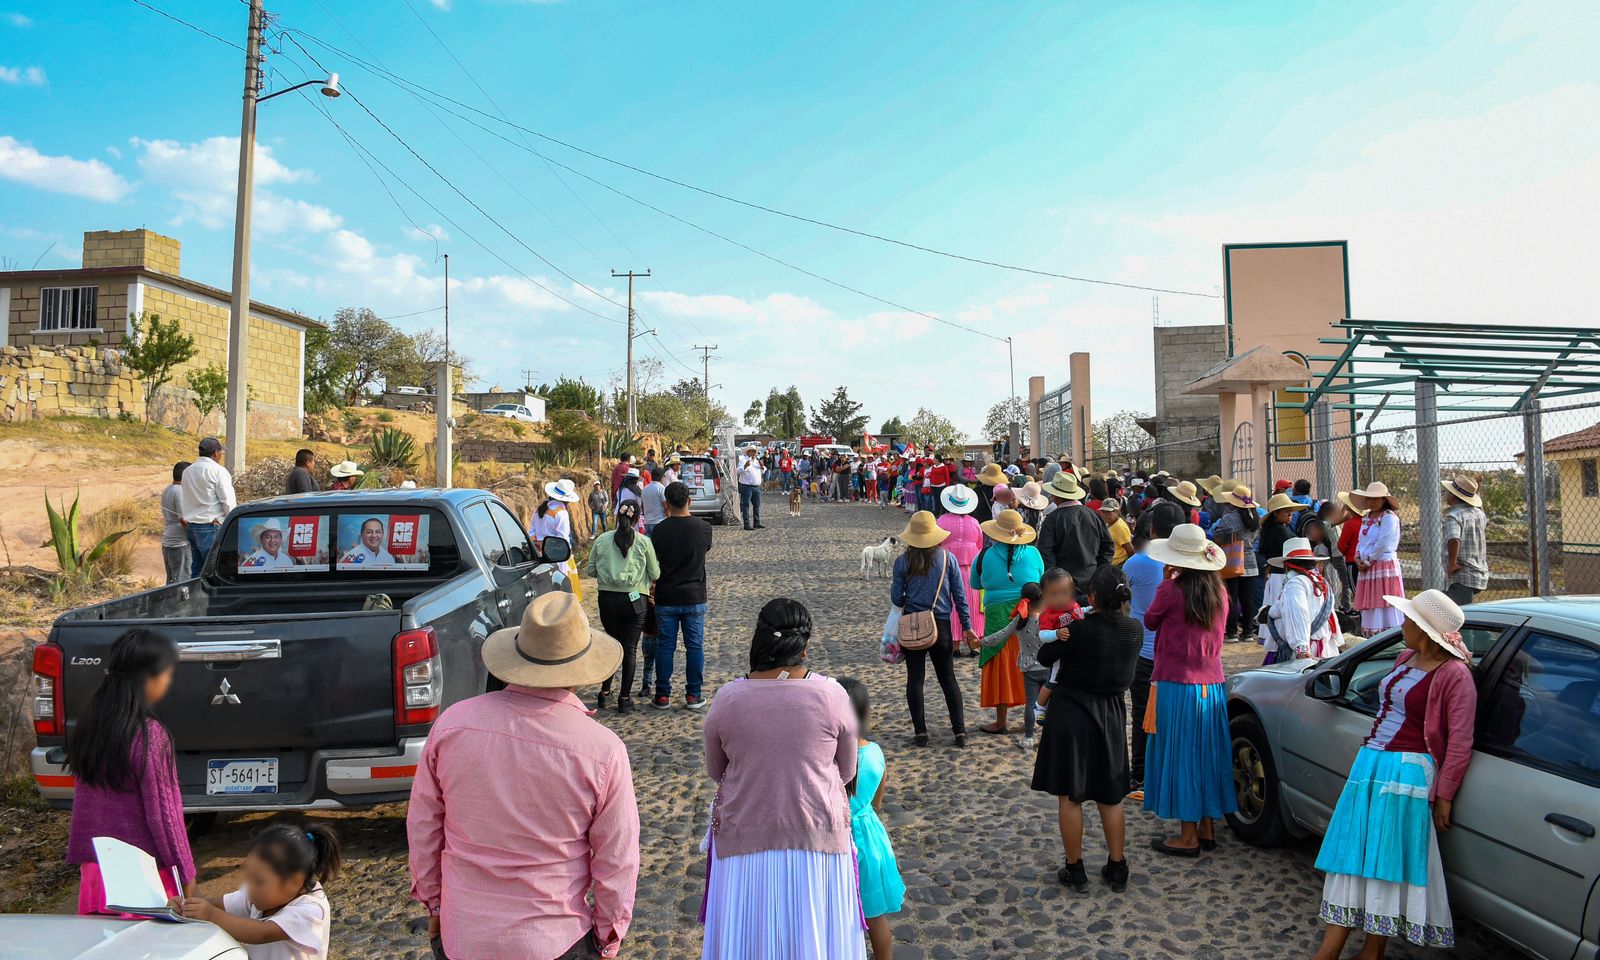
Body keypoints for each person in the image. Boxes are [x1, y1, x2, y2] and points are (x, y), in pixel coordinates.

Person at [408, 592, 638, 960]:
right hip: (555, 937)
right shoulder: (603, 750)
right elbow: (618, 858)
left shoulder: (452, 725)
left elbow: (423, 827)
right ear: (582, 668)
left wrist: (434, 904)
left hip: (463, 931)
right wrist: (608, 937)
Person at [1311, 590, 1476, 959]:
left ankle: (1366, 951)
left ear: (1423, 628)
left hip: (1406, 773)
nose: (1401, 623)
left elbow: (1461, 740)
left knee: (1385, 860)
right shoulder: (1406, 657)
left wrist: (1445, 794)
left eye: (1408, 619)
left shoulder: (1454, 675)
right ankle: (1336, 949)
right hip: (1371, 765)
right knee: (1353, 853)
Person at [700, 600, 866, 960]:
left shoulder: (728, 698)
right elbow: (848, 769)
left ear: (759, 641)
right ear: (804, 647)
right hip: (816, 839)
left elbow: (716, 770)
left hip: (745, 843)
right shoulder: (831, 694)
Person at [1030, 565, 1142, 893]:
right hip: (1111, 713)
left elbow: (1046, 654)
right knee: (1111, 796)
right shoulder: (1134, 629)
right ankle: (1117, 866)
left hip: (1071, 712)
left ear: (1092, 596)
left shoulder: (1081, 629)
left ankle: (1075, 868)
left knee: (1071, 794)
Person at [65, 629, 194, 914]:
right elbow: (165, 819)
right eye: (167, 674)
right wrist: (187, 877)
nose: (168, 682)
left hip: (98, 872)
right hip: (143, 876)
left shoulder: (91, 728)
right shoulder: (150, 735)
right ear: (149, 678)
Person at [1141, 524, 1236, 856]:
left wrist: (1166, 582)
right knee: (1207, 754)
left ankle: (1187, 836)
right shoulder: (1220, 592)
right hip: (1212, 683)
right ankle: (1207, 828)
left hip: (1176, 684)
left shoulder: (1170, 590)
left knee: (1181, 755)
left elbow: (1150, 621)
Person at [175, 824, 339, 959]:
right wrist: (187, 907)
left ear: (296, 881)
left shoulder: (310, 911)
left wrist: (210, 915)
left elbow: (262, 933)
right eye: (249, 877)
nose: (249, 887)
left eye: (259, 881)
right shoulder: (258, 896)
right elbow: (218, 905)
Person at [892, 511, 977, 747]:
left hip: (912, 624)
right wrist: (968, 627)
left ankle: (921, 733)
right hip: (941, 625)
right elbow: (960, 597)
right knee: (948, 679)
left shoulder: (902, 562)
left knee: (915, 679)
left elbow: (897, 598)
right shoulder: (947, 559)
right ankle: (960, 732)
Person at [837, 677, 905, 960]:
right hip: (870, 837)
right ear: (866, 713)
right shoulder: (875, 752)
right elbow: (879, 795)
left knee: (840, 914)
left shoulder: (830, 758)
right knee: (875, 916)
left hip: (841, 840)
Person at [1123, 499, 1178, 801]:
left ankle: (1140, 776)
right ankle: (1168, 772)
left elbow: (1123, 594)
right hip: (1177, 658)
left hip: (1144, 653)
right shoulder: (1188, 567)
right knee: (1173, 717)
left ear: (1152, 528)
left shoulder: (1136, 562)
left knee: (1143, 716)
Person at [970, 509, 1042, 735]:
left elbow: (975, 584)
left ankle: (1001, 721)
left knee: (1000, 664)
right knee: (1033, 661)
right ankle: (1034, 718)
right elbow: (1041, 578)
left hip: (996, 615)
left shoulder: (984, 556)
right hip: (1029, 615)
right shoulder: (1033, 553)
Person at [586, 500, 658, 714]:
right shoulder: (644, 542)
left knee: (611, 645)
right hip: (636, 600)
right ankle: (624, 699)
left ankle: (605, 693)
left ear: (616, 516)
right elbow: (655, 574)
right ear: (637, 519)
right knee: (630, 649)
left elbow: (590, 571)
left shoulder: (601, 540)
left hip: (607, 599)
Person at [651, 482, 712, 711]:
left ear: (666, 504)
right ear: (690, 501)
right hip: (694, 595)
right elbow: (704, 551)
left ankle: (662, 695)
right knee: (695, 647)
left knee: (665, 646)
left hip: (666, 595)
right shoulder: (704, 528)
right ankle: (693, 695)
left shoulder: (659, 530)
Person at [1264, 538, 1342, 662]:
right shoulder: (1321, 582)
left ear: (1287, 564)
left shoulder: (1295, 583)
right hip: (1323, 647)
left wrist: (1301, 647)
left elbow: (1298, 613)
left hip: (1305, 650)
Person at [1036, 471, 1112, 595]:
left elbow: (1045, 552)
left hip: (1063, 584)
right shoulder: (1092, 514)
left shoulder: (1052, 519)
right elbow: (1108, 546)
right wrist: (1099, 572)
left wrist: (1054, 581)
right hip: (1091, 580)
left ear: (1056, 496)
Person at [936, 485, 986, 656]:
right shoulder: (974, 522)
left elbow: (937, 543)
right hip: (971, 569)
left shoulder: (942, 521)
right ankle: (975, 644)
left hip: (948, 568)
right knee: (973, 607)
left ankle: (954, 645)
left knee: (951, 606)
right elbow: (980, 545)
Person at [1209, 483, 1262, 642]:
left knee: (1231, 597)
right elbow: (1254, 537)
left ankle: (1231, 632)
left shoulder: (1229, 518)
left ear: (1232, 503)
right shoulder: (1255, 517)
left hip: (1232, 560)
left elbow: (1217, 535)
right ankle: (1247, 632)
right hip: (1250, 561)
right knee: (1247, 598)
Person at [1351, 482, 1405, 636]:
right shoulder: (1366, 517)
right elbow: (1361, 540)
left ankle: (1389, 635)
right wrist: (1357, 557)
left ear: (1384, 500)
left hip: (1382, 565)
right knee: (1372, 602)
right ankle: (1372, 635)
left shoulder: (1389, 517)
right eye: (1369, 499)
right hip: (1367, 566)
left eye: (1376, 499)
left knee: (1385, 602)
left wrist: (1369, 560)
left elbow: (1384, 542)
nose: (1372, 502)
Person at [179, 436, 236, 579]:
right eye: (220, 452)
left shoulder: (188, 471)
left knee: (197, 573)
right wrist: (228, 521)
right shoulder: (218, 471)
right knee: (214, 572)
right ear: (216, 453)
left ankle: (196, 600)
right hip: (210, 527)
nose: (221, 455)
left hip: (192, 526)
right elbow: (228, 503)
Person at [1442, 475, 1488, 607]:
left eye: (1448, 492)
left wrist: (1452, 563)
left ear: (1454, 497)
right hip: (1478, 573)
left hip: (1462, 574)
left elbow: (1454, 539)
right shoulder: (1479, 514)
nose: (1446, 495)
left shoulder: (1454, 516)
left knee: (1457, 614)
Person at [1257, 491, 1306, 612]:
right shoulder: (1280, 530)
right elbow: (1292, 551)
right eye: (1286, 511)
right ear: (1275, 513)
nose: (1290, 514)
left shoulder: (1273, 528)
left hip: (1276, 575)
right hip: (1282, 575)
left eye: (1291, 511)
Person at [160, 461, 190, 585]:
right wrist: (195, 533)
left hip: (169, 542)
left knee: (172, 582)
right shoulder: (180, 491)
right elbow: (183, 519)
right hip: (179, 543)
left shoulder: (168, 490)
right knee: (182, 583)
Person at [1098, 498, 1133, 566]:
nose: (1105, 515)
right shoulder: (1109, 523)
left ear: (1117, 512)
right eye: (1103, 511)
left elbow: (1130, 550)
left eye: (1108, 512)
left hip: (1118, 564)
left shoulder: (1119, 527)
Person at [737, 446, 764, 530]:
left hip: (756, 487)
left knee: (757, 505)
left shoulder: (756, 461)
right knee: (746, 505)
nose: (754, 453)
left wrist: (763, 467)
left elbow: (762, 471)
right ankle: (747, 524)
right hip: (746, 486)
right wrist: (744, 466)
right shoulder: (743, 461)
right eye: (752, 452)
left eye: (755, 452)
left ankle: (757, 522)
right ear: (748, 452)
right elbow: (737, 471)